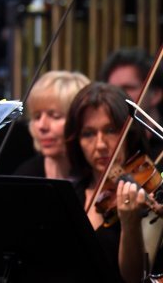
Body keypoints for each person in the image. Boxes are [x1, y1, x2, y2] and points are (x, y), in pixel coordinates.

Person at [64, 82, 153, 282]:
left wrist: (130, 223)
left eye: (111, 130)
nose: (101, 145)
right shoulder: (70, 194)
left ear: (128, 134)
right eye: (88, 134)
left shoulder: (149, 194)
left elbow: (135, 277)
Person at [13, 70, 90, 179]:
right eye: (37, 116)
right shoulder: (25, 176)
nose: (42, 126)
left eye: (55, 116)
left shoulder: (95, 175)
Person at [99, 47, 163, 156]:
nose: (117, 96)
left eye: (127, 88)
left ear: (155, 95)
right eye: (112, 90)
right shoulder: (105, 146)